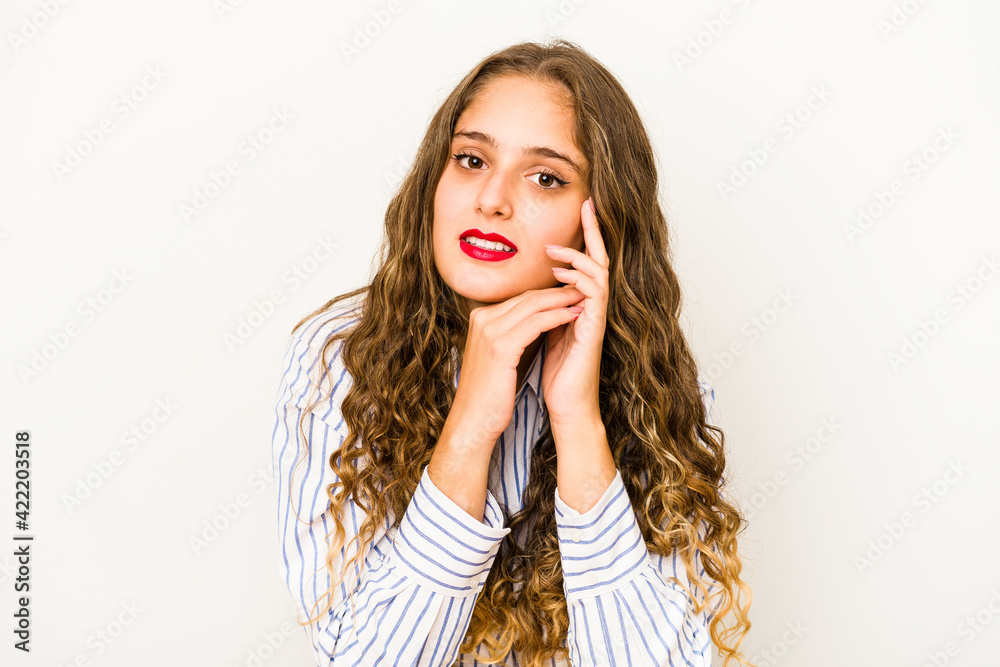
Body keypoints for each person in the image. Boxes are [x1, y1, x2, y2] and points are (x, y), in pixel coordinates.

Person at [272, 38, 753, 667]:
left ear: (601, 219)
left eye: (545, 177)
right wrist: (470, 426)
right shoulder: (339, 359)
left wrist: (577, 418)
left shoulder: (654, 382)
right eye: (471, 160)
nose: (492, 200)